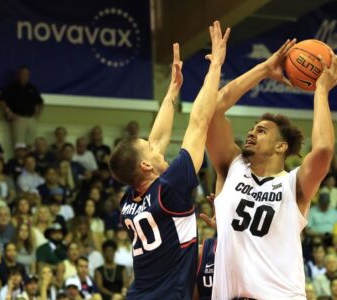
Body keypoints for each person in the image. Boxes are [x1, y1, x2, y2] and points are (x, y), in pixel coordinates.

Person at [205, 37, 337, 299]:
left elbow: (322, 150)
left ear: (281, 147)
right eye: (253, 128)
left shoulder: (294, 184)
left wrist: (321, 90)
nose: (251, 133)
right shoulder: (233, 166)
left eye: (262, 131)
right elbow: (213, 110)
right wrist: (265, 69)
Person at [108, 21, 229, 299]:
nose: (157, 148)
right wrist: (215, 67)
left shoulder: (129, 200)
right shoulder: (169, 188)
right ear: (146, 166)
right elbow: (199, 122)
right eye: (151, 151)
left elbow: (156, 140)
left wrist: (173, 90)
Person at [0, 65, 44, 146]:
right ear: (18, 75)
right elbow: (0, 100)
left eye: (27, 74)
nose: (24, 76)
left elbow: (40, 102)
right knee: (19, 145)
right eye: (23, 74)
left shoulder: (32, 88)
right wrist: (9, 113)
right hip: (18, 118)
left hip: (31, 118)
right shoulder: (12, 87)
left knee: (30, 145)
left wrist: (38, 113)